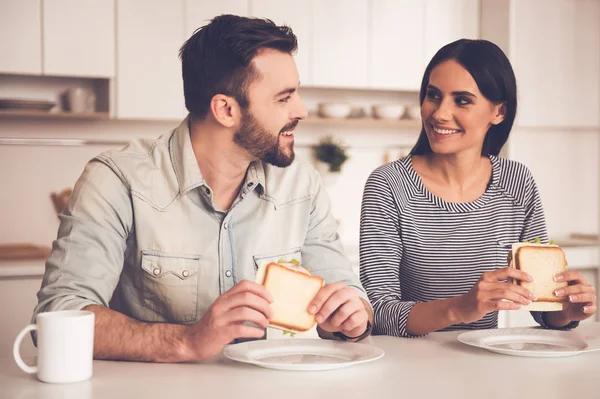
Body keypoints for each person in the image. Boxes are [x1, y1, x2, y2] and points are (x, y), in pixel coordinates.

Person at [34, 15, 372, 362]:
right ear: (226, 109)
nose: (301, 110)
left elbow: (350, 298)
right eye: (284, 98)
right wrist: (186, 340)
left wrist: (351, 318)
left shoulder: (301, 185)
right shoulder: (117, 180)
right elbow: (60, 314)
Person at [359, 39, 596, 337]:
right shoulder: (389, 185)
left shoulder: (517, 183)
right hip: (408, 369)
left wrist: (564, 312)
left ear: (498, 112)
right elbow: (376, 312)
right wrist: (461, 307)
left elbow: (538, 301)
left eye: (462, 100)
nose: (439, 114)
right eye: (433, 95)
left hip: (485, 366)